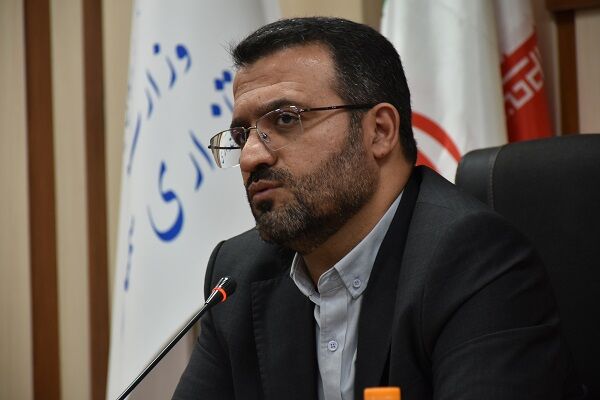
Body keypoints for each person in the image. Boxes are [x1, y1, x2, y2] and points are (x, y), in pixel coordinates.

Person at [173, 17, 579, 400]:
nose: (250, 156)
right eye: (241, 134)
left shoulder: (474, 260)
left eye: (284, 119)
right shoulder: (239, 273)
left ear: (380, 132)